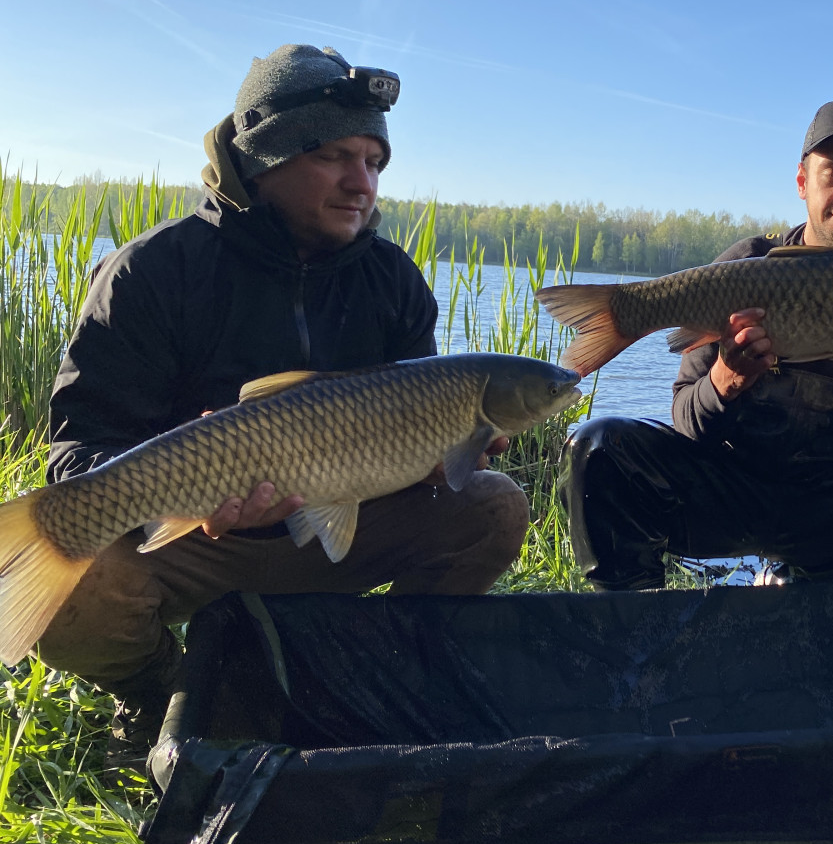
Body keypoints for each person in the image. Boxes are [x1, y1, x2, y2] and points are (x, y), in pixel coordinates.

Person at [38, 44, 530, 766]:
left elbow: (424, 432)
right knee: (64, 583)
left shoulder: (392, 279)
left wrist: (441, 460)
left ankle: (370, 666)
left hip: (338, 529)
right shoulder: (153, 270)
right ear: (264, 158)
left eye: (375, 162)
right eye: (334, 156)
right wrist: (190, 481)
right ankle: (162, 696)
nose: (362, 183)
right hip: (197, 543)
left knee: (494, 505)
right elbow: (77, 452)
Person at [561, 97, 833, 593]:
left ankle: (816, 592)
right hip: (728, 488)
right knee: (600, 449)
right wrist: (727, 379)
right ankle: (637, 620)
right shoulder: (748, 264)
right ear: (802, 181)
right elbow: (686, 421)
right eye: (832, 174)